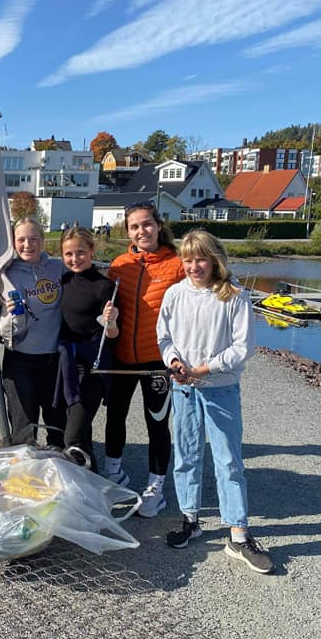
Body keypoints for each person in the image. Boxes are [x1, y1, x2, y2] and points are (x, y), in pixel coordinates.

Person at [157, 230, 273, 574]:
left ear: (215, 259)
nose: (194, 266)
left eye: (201, 259)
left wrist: (203, 368)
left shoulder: (234, 295)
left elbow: (242, 348)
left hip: (219, 388)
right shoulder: (175, 294)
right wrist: (176, 364)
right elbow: (165, 338)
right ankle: (190, 519)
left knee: (228, 461)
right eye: (188, 259)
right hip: (184, 389)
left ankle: (238, 534)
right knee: (186, 455)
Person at [103, 202, 185, 517]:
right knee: (115, 418)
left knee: (157, 425)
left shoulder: (177, 265)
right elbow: (110, 310)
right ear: (129, 232)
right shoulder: (119, 264)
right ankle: (114, 475)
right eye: (135, 226)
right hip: (121, 358)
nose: (142, 231)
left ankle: (154, 489)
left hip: (157, 361)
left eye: (147, 224)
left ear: (159, 225)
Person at [0, 218, 66, 448]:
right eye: (21, 240)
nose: (28, 244)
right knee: (24, 429)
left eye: (34, 238)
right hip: (20, 360)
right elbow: (2, 330)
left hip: (54, 360)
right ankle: (25, 477)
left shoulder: (59, 268)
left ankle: (58, 473)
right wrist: (12, 317)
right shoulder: (5, 275)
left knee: (57, 425)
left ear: (43, 240)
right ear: (13, 243)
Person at [56, 227, 119, 470]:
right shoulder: (63, 280)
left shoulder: (105, 287)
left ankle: (81, 489)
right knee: (81, 432)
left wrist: (111, 321)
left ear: (91, 251)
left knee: (73, 437)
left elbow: (113, 334)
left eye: (80, 252)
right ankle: (91, 484)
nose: (75, 259)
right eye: (68, 254)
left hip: (93, 367)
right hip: (66, 364)